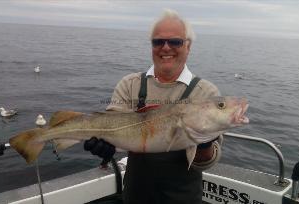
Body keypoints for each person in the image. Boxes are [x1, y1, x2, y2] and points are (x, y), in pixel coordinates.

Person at [84, 9, 222, 204]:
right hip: (135, 195)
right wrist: (106, 146)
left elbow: (205, 162)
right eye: (158, 42)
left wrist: (205, 143)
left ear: (188, 46)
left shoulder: (206, 93)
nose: (166, 47)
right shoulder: (129, 84)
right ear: (151, 46)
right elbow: (113, 128)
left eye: (175, 41)